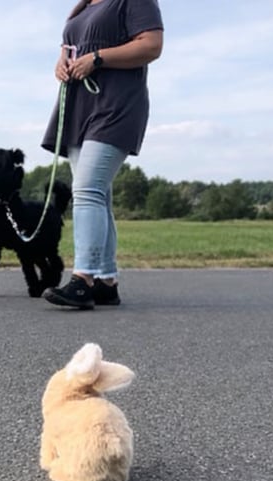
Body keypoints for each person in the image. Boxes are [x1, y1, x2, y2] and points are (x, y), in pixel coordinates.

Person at [41, 0, 164, 309]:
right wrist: (62, 62)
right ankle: (106, 281)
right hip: (80, 106)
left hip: (116, 105)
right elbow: (69, 47)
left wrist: (97, 58)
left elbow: (151, 45)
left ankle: (82, 280)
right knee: (99, 194)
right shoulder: (81, 8)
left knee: (86, 190)